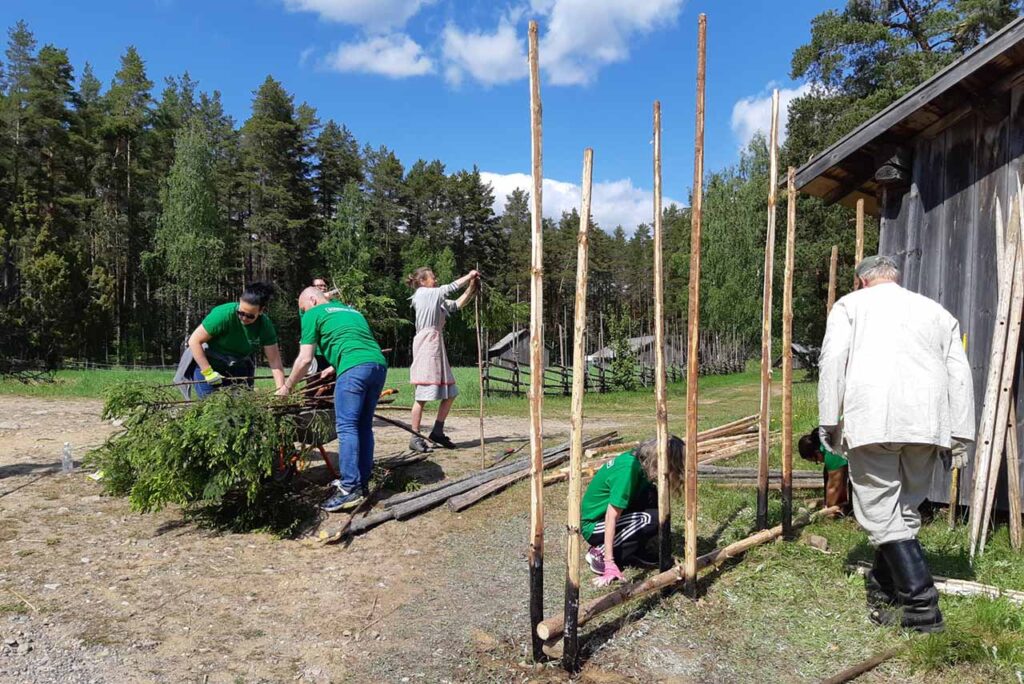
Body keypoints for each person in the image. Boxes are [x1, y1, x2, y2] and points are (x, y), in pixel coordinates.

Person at [818, 255, 974, 634]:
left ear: (861, 281)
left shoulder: (849, 306)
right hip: (927, 424)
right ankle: (883, 588)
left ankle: (923, 610)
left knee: (879, 511)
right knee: (902, 511)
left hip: (874, 418)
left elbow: (834, 359)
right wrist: (961, 431)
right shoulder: (935, 311)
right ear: (895, 278)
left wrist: (828, 419)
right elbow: (959, 369)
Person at [277, 288, 388, 512]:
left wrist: (286, 388)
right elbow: (354, 341)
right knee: (364, 426)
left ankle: (349, 489)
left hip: (354, 368)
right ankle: (362, 481)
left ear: (311, 299)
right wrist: (333, 366)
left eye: (302, 308)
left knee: (347, 427)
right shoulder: (352, 312)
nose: (303, 313)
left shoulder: (313, 313)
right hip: (378, 366)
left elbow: (305, 359)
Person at [581, 435, 685, 587]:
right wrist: (609, 562)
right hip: (594, 525)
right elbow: (611, 516)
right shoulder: (628, 471)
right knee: (651, 519)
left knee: (653, 495)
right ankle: (600, 552)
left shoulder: (641, 461)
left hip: (609, 516)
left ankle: (635, 550)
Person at [405, 267, 480, 451]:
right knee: (422, 394)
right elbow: (450, 287)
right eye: (432, 277)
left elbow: (456, 305)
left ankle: (437, 432)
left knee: (450, 393)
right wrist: (469, 275)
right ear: (422, 281)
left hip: (436, 344)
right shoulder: (423, 294)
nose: (435, 279)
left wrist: (471, 288)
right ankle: (414, 437)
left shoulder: (434, 298)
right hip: (426, 344)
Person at [183, 281, 286, 398]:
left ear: (261, 311)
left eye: (250, 316)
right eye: (240, 312)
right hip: (208, 364)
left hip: (238, 366)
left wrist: (281, 389)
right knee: (212, 405)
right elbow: (194, 341)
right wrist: (208, 372)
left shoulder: (265, 326)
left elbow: (275, 362)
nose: (244, 318)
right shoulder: (222, 315)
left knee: (243, 406)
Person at [798, 426, 851, 514]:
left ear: (817, 453)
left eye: (817, 461)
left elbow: (834, 488)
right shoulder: (828, 446)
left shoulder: (831, 455)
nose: (820, 462)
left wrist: (828, 510)